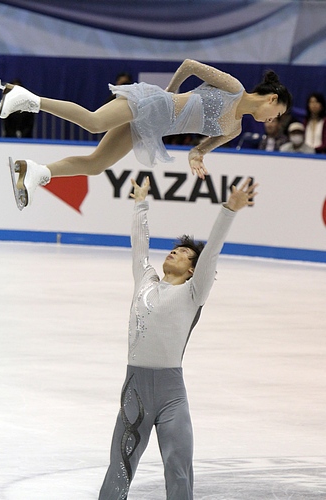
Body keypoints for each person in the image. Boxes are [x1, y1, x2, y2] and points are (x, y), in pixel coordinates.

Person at [98, 176, 258, 500]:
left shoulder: (192, 292)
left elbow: (211, 251)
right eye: (175, 248)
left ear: (191, 270)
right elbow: (139, 245)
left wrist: (229, 210)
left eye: (184, 253)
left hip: (172, 396)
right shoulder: (145, 279)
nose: (175, 252)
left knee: (178, 467)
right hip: (136, 392)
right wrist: (140, 203)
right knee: (120, 465)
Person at [0, 59, 289, 206]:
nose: (270, 119)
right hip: (154, 104)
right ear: (271, 99)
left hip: (153, 127)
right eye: (275, 114)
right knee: (95, 122)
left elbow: (199, 149)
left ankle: (35, 172)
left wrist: (196, 157)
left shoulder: (234, 130)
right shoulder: (234, 87)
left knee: (96, 165)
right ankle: (25, 98)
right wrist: (168, 95)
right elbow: (189, 66)